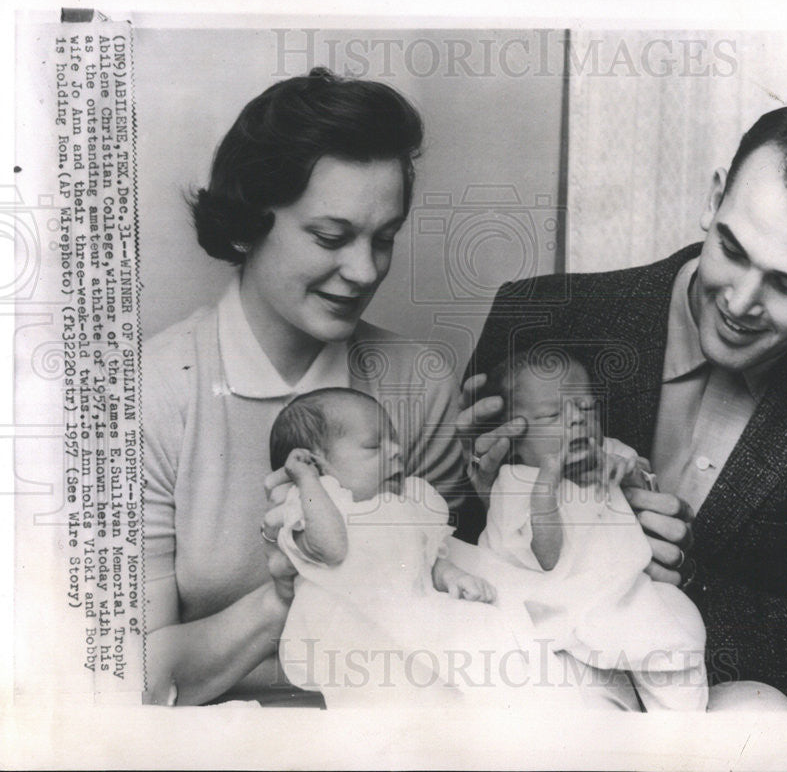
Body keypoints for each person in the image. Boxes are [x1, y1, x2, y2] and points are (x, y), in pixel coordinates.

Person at [461, 99, 787, 714]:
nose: (741, 303)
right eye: (733, 250)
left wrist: (688, 584)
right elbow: (436, 569)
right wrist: (463, 493)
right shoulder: (543, 322)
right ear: (713, 200)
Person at [142, 68, 466, 706]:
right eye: (331, 237)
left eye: (385, 238)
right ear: (247, 223)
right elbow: (130, 682)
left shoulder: (418, 385)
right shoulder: (154, 393)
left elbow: (448, 629)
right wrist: (282, 597)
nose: (364, 269)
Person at [476, 348, 708, 711]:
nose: (576, 421)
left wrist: (628, 472)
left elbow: (644, 487)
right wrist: (545, 490)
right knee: (578, 692)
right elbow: (546, 558)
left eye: (585, 408)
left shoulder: (608, 453)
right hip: (561, 605)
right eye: (552, 414)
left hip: (627, 590)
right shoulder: (515, 482)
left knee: (674, 644)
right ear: (515, 439)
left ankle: (685, 729)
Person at [268, 388, 516, 706]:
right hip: (352, 635)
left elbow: (422, 556)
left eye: (394, 440)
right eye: (374, 446)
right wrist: (307, 482)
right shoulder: (314, 506)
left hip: (411, 618)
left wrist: (452, 576)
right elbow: (332, 549)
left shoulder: (403, 503)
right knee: (381, 703)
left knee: (467, 660)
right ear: (315, 465)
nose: (396, 450)